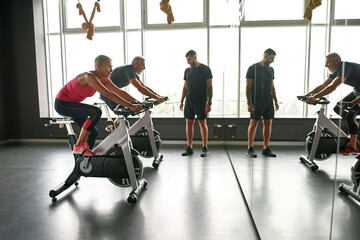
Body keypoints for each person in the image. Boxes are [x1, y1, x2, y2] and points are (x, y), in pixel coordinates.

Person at [55, 55, 142, 156]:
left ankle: (85, 158)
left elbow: (118, 92)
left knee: (93, 133)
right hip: (62, 104)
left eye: (111, 66)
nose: (111, 70)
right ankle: (78, 146)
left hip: (73, 105)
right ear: (99, 66)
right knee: (96, 112)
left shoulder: (103, 79)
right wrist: (131, 106)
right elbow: (108, 94)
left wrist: (137, 102)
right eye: (108, 67)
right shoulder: (88, 77)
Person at [306, 52, 360, 154]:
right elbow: (324, 85)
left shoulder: (345, 67)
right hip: (356, 90)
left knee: (350, 115)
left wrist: (315, 97)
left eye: (328, 63)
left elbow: (332, 87)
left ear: (336, 61)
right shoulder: (337, 70)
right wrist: (308, 95)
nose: (325, 65)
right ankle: (354, 128)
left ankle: (354, 146)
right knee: (338, 108)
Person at [100, 56, 165, 113]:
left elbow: (143, 86)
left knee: (132, 107)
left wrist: (158, 96)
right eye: (143, 65)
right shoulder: (128, 70)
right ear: (135, 64)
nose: (144, 68)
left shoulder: (133, 74)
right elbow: (140, 88)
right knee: (128, 108)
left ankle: (117, 124)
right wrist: (156, 97)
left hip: (116, 92)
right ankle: (116, 124)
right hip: (107, 94)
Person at [246, 48, 279, 158]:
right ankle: (250, 147)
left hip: (268, 100)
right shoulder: (253, 68)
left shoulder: (271, 70)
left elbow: (272, 86)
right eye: (271, 58)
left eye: (273, 58)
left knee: (268, 123)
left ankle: (266, 148)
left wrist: (276, 100)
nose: (272, 60)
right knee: (254, 123)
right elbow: (248, 87)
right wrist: (249, 103)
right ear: (265, 56)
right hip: (256, 100)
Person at [180, 50, 213, 157]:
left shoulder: (205, 69)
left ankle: (204, 147)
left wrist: (209, 103)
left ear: (195, 57)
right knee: (189, 123)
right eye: (187, 60)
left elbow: (210, 87)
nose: (188, 61)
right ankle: (189, 147)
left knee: (202, 123)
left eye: (189, 59)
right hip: (189, 100)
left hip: (201, 101)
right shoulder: (187, 71)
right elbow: (185, 86)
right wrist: (181, 100)